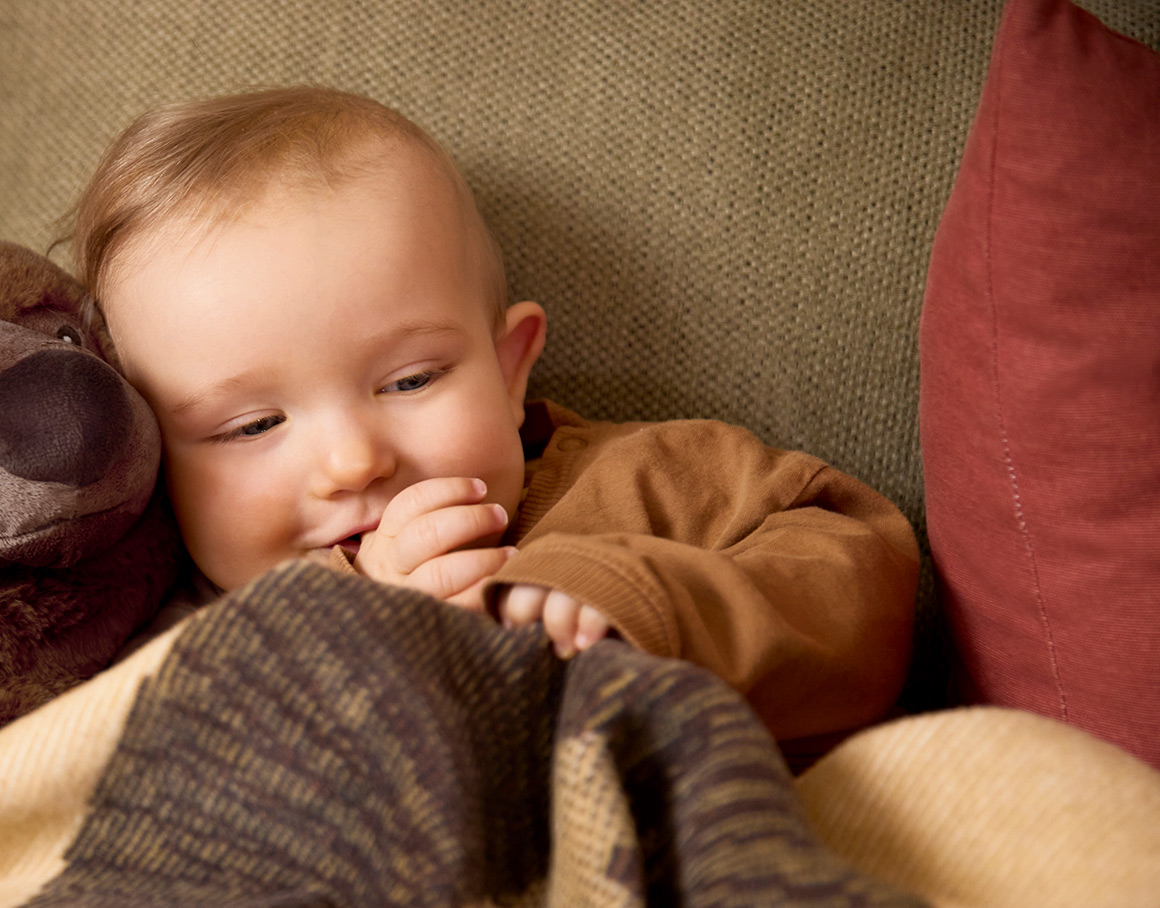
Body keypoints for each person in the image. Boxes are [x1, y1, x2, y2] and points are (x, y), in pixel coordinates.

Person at [71, 86, 919, 745]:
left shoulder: (645, 484)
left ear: (510, 368)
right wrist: (356, 623)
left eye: (410, 380)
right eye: (252, 427)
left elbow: (864, 575)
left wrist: (642, 606)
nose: (353, 462)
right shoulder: (169, 634)